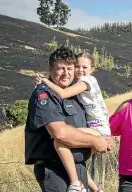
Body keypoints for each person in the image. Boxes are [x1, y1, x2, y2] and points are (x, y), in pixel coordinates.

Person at [25, 47, 112, 192]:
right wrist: (95, 140)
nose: (66, 73)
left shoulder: (77, 92)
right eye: (61, 69)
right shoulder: (45, 94)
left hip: (79, 169)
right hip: (55, 170)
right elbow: (60, 134)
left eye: (70, 68)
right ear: (50, 68)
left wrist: (105, 138)